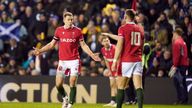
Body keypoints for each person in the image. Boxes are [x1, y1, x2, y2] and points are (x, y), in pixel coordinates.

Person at [32, 12, 101, 108]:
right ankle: (65, 97)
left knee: (72, 81)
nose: (70, 21)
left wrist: (92, 55)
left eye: (72, 19)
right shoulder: (59, 30)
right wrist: (40, 50)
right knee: (58, 84)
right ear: (64, 20)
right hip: (63, 61)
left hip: (74, 60)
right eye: (68, 20)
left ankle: (70, 105)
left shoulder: (77, 31)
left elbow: (83, 45)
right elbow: (51, 44)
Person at [103, 9, 144, 108]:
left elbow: (120, 45)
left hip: (127, 60)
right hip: (138, 60)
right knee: (138, 86)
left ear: (126, 17)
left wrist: (115, 61)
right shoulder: (140, 29)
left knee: (121, 86)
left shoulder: (123, 28)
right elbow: (142, 46)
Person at [168, 28, 189, 104]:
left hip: (180, 65)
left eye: (173, 34)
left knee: (178, 82)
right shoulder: (183, 42)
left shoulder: (177, 43)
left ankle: (181, 99)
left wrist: (175, 66)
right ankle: (184, 99)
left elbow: (177, 56)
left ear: (176, 33)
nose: (173, 35)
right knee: (182, 82)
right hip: (184, 64)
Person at [100, 36, 119, 107]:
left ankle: (118, 101)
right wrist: (109, 70)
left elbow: (119, 59)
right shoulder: (102, 50)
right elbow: (106, 61)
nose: (106, 42)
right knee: (112, 85)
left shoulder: (114, 48)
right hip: (111, 69)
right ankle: (113, 101)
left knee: (118, 85)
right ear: (102, 43)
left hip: (117, 68)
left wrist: (117, 69)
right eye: (104, 41)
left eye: (107, 40)